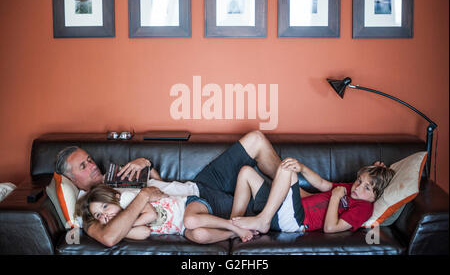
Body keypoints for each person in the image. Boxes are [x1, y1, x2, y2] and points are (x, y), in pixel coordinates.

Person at [55, 130, 282, 246]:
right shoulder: (89, 208)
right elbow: (109, 237)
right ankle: (300, 197)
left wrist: (146, 165)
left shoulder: (112, 177)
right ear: (69, 178)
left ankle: (297, 188)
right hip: (198, 205)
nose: (92, 165)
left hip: (197, 186)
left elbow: (160, 187)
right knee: (269, 202)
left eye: (90, 159)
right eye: (83, 166)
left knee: (255, 139)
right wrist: (143, 195)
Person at [231, 158, 395, 234]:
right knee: (246, 172)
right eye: (359, 180)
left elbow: (330, 228)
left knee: (286, 170)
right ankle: (233, 226)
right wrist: (302, 168)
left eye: (366, 187)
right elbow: (323, 184)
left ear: (375, 196)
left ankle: (262, 221)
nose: (358, 187)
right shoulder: (349, 188)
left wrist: (336, 198)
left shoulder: (364, 207)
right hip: (283, 207)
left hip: (297, 219)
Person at [76, 184, 257, 244]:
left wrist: (127, 223)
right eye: (99, 216)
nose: (104, 216)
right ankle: (232, 234)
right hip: (180, 229)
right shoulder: (123, 223)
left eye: (105, 207)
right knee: (199, 235)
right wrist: (122, 229)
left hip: (187, 205)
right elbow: (145, 233)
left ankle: (232, 225)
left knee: (192, 220)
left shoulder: (129, 199)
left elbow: (151, 216)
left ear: (116, 199)